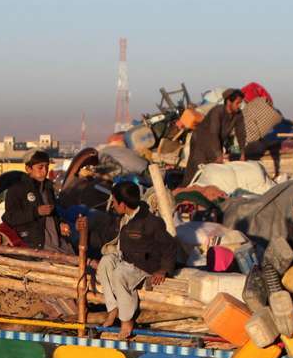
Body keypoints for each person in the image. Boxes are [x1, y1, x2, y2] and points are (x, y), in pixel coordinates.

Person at [97, 182, 178, 339]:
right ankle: (113, 308)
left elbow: (170, 245)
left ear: (123, 203)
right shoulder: (124, 218)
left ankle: (126, 320)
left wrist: (163, 269)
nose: (112, 205)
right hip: (125, 258)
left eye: (114, 202)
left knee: (119, 275)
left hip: (143, 265)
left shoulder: (151, 223)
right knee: (105, 263)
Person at [0, 150, 70, 252]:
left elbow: (54, 214)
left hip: (57, 242)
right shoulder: (17, 189)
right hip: (36, 245)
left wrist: (60, 224)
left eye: (47, 167)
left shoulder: (48, 188)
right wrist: (36, 212)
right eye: (40, 167)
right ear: (28, 169)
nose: (45, 171)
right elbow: (9, 218)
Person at [184, 89, 246, 183]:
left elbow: (241, 133)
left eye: (240, 103)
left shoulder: (238, 115)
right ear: (229, 102)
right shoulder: (217, 111)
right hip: (200, 141)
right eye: (237, 103)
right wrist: (218, 154)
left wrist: (242, 153)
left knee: (213, 171)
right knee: (197, 169)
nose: (239, 106)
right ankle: (185, 189)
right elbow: (214, 133)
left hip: (216, 143)